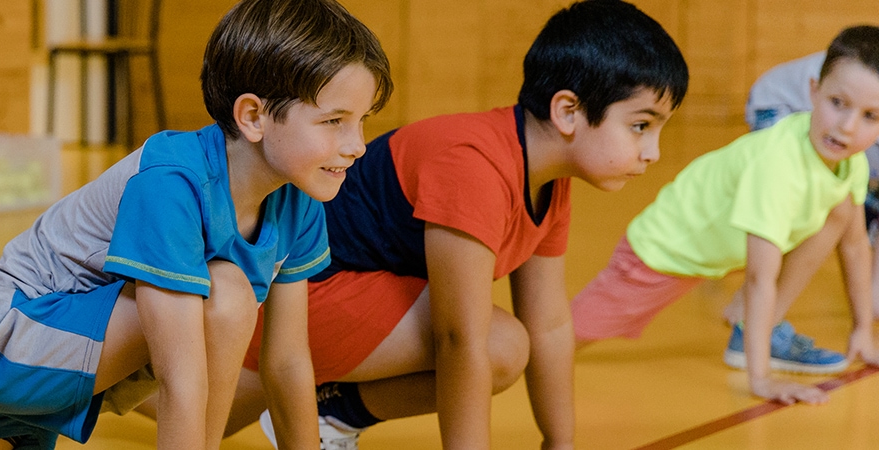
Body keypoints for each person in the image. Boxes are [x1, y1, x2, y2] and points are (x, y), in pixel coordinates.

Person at [192, 1, 687, 448]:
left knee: (513, 340)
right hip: (296, 304)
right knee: (497, 343)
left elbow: (552, 325)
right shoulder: (474, 162)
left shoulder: (550, 181)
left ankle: (329, 411)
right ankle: (330, 413)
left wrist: (560, 444)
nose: (653, 151)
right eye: (641, 125)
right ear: (567, 111)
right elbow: (459, 340)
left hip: (341, 312)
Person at [0, 0, 392, 448]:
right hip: (6, 341)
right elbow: (180, 379)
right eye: (334, 121)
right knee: (226, 293)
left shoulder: (298, 199)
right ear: (252, 116)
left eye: (362, 121)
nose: (358, 144)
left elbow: (287, 363)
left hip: (82, 361)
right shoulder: (172, 181)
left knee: (225, 295)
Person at [573, 25, 879, 405]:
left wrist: (863, 330)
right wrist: (762, 378)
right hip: (667, 252)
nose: (848, 127)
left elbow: (854, 246)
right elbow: (759, 277)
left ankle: (751, 325)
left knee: (840, 213)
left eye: (870, 116)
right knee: (560, 340)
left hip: (723, 249)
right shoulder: (777, 165)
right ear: (813, 92)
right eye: (838, 103)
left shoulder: (851, 163)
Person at [719, 48, 879, 325]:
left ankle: (754, 311)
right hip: (780, 103)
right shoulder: (855, 99)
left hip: (840, 119)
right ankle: (755, 316)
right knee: (817, 203)